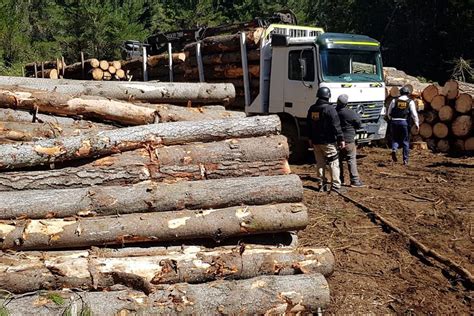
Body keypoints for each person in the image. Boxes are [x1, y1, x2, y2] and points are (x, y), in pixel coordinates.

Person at [307, 87, 345, 192]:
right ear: (328, 96)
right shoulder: (330, 109)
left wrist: (310, 138)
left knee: (320, 163)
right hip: (328, 142)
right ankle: (336, 186)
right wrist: (341, 138)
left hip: (315, 141)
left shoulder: (312, 108)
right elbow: (336, 125)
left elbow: (309, 125)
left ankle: (321, 185)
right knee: (333, 162)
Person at [336, 94, 364, 187]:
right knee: (351, 159)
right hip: (349, 140)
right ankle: (355, 181)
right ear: (346, 103)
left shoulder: (334, 112)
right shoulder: (350, 112)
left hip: (337, 140)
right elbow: (359, 124)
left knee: (338, 161)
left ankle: (340, 179)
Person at [387, 86, 419, 165]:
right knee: (405, 141)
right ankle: (405, 160)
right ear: (408, 93)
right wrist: (416, 123)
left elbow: (389, 112)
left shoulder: (394, 100)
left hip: (394, 122)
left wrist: (391, 119)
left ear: (400, 92)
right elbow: (414, 114)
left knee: (395, 139)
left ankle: (394, 149)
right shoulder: (410, 101)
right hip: (404, 122)